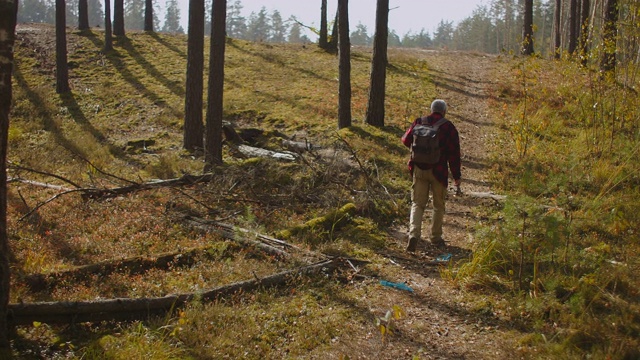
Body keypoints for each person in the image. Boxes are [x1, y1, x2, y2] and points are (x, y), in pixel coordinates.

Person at [401, 99, 461, 252]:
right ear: (444, 111)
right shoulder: (448, 127)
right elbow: (454, 155)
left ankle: (413, 234)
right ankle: (435, 237)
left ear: (431, 109)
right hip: (438, 172)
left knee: (417, 204)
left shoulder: (419, 121)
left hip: (419, 170)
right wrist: (456, 176)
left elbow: (405, 140)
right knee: (438, 206)